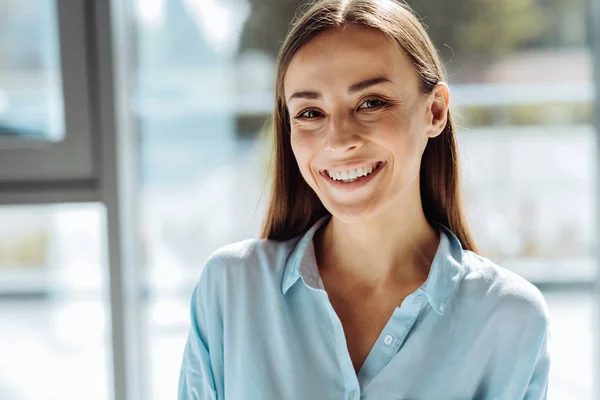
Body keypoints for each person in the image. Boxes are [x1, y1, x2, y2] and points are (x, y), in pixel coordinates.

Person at [178, 0, 551, 398]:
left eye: (371, 103)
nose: (339, 141)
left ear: (435, 112)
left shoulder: (511, 318)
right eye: (310, 112)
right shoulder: (230, 291)